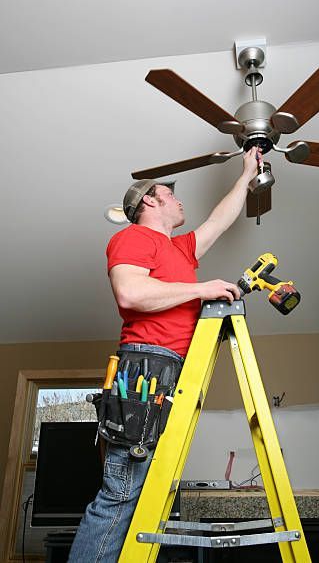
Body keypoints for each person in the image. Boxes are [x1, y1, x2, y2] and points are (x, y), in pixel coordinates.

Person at [68, 146, 262, 562]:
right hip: (146, 363)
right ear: (149, 201)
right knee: (121, 494)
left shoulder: (180, 250)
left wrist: (247, 174)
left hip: (172, 369)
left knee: (148, 496)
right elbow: (131, 293)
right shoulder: (133, 237)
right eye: (169, 193)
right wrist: (202, 288)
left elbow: (219, 221)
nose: (178, 198)